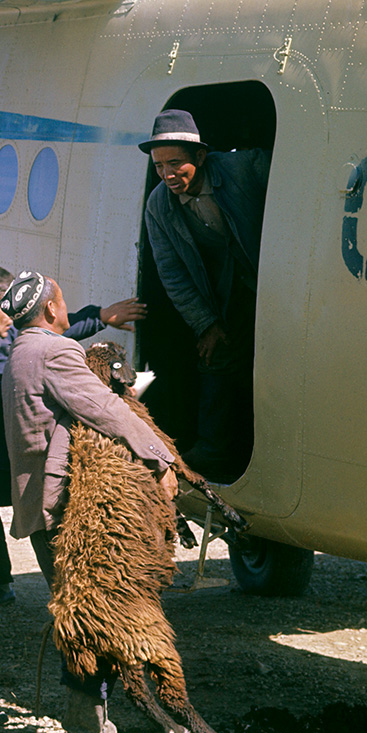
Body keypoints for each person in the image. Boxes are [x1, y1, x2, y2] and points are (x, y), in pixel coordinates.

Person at [0, 265, 146, 725]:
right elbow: (25, 363)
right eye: (5, 305)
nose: (13, 314)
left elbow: (27, 342)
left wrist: (95, 316)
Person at [0, 269, 176, 733]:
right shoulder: (55, 352)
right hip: (65, 510)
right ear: (53, 310)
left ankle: (96, 726)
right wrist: (158, 457)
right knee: (91, 617)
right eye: (64, 298)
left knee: (82, 612)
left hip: (38, 504)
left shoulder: (19, 351)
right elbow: (102, 409)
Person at [140, 109, 269, 480]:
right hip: (227, 293)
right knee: (216, 358)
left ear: (200, 156)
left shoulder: (244, 168)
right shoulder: (159, 206)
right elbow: (173, 274)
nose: (167, 175)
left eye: (175, 163)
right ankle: (213, 452)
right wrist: (205, 323)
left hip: (268, 279)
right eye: (159, 166)